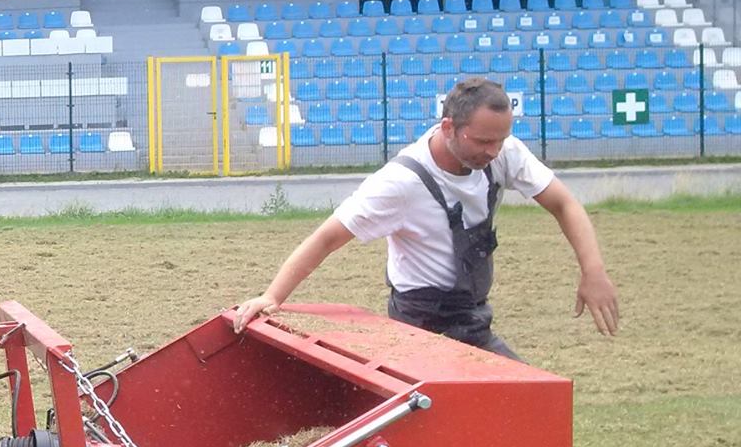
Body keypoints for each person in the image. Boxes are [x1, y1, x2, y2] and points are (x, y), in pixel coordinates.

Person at [231, 75, 620, 358]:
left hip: (473, 320)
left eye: (501, 140)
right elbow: (327, 237)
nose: (493, 151)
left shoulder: (505, 153)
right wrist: (272, 296)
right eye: (483, 141)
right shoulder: (400, 182)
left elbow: (564, 204)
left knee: (528, 406)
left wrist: (594, 271)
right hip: (417, 326)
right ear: (448, 127)